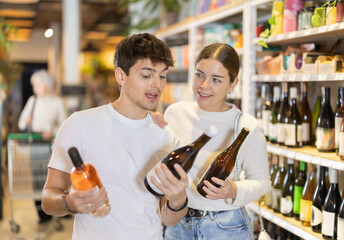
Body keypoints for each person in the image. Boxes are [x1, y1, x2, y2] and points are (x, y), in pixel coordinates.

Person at [41, 33, 189, 240]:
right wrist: (69, 203)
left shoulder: (167, 137)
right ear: (121, 76)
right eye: (147, 75)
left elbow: (169, 219)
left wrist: (178, 198)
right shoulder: (80, 125)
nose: (157, 84)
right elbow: (48, 199)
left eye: (162, 76)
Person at [152, 43, 271, 240]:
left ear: (233, 83)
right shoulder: (175, 112)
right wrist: (149, 126)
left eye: (216, 79)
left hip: (225, 227)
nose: (203, 85)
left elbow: (262, 181)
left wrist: (234, 190)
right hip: (179, 223)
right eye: (199, 75)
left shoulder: (247, 125)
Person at [18, 69, 66, 223]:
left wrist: (51, 132)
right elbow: (20, 123)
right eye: (34, 85)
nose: (35, 88)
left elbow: (63, 125)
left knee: (51, 178)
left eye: (38, 84)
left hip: (50, 146)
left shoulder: (57, 102)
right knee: (37, 180)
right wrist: (26, 121)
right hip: (35, 145)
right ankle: (41, 213)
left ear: (47, 85)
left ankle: (54, 208)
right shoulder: (33, 101)